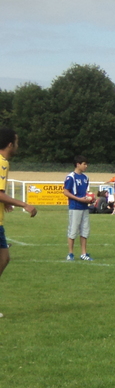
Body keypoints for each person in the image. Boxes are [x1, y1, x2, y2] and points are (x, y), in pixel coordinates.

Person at [0, 128, 39, 319]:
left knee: (4, 258)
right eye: (16, 142)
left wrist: (6, 201)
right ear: (10, 145)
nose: (17, 145)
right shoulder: (1, 162)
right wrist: (24, 204)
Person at [63, 155, 93, 261]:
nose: (86, 166)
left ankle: (83, 253)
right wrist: (78, 199)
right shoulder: (71, 177)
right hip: (75, 207)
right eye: (84, 164)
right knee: (73, 230)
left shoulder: (85, 178)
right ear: (78, 164)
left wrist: (89, 199)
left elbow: (85, 192)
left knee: (85, 231)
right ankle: (70, 253)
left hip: (84, 207)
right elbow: (65, 192)